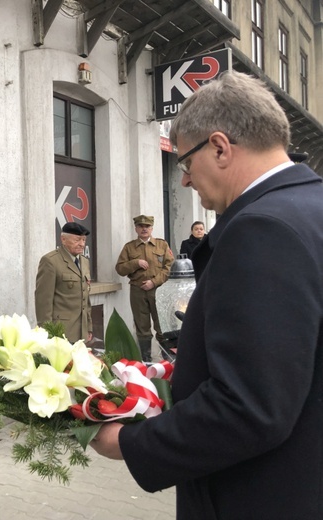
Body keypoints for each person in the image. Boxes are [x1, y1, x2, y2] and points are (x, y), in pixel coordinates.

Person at [91, 71, 323, 519]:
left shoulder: (262, 229)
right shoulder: (307, 207)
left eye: (184, 163)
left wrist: (128, 443)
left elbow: (250, 406)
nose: (183, 181)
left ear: (219, 147)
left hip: (261, 494)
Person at [115, 215, 173, 362]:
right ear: (136, 228)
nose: (144, 229)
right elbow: (120, 269)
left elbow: (169, 267)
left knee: (162, 327)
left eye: (147, 226)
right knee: (142, 329)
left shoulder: (162, 245)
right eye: (141, 226)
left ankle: (167, 361)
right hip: (137, 291)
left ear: (152, 228)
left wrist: (154, 282)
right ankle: (146, 361)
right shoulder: (129, 247)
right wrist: (135, 263)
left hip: (158, 291)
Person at [35, 222, 93, 343]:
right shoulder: (51, 261)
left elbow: (85, 299)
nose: (82, 244)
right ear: (63, 239)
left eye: (83, 240)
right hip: (61, 331)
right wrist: (46, 331)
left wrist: (89, 327)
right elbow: (43, 300)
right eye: (77, 240)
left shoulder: (84, 262)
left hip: (81, 331)